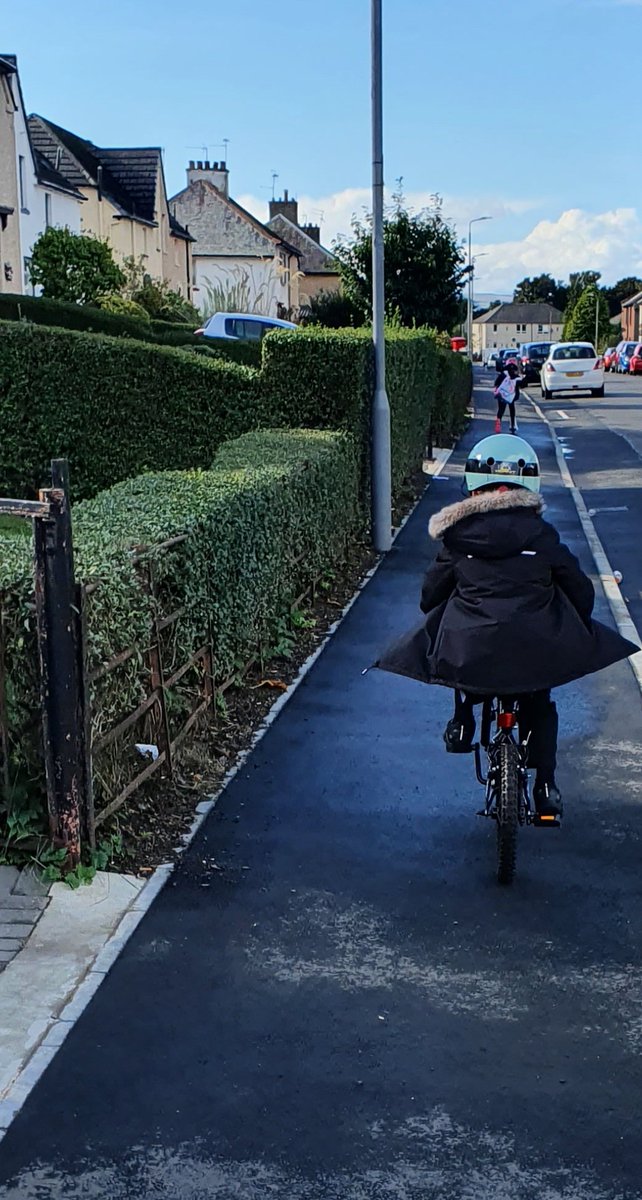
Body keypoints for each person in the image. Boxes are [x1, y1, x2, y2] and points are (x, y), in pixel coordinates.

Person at [375, 434, 637, 817]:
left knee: (458, 643)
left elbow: (431, 596)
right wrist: (572, 617)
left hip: (473, 652)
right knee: (541, 702)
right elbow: (580, 590)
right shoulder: (542, 536)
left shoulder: (457, 539)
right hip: (535, 650)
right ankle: (545, 787)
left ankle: (463, 721)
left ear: (472, 485)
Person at [494, 359, 521, 434]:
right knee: (512, 409)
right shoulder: (515, 376)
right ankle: (512, 425)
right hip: (511, 395)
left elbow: (496, 383)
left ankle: (498, 421)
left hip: (501, 395)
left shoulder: (502, 375)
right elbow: (520, 384)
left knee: (501, 409)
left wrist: (497, 390)